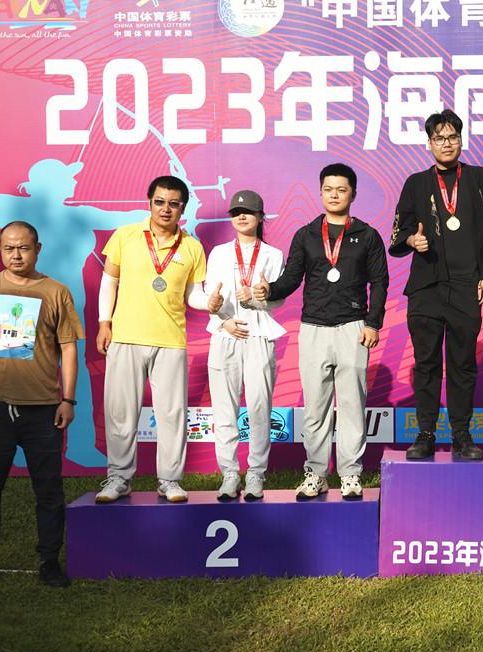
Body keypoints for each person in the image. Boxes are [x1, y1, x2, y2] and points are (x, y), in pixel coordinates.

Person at [0, 221, 83, 591]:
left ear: (37, 249)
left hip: (43, 409)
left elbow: (69, 349)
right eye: (9, 248)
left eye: (24, 248)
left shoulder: (55, 292)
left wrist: (67, 399)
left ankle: (49, 561)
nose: (16, 255)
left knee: (49, 490)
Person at [253, 164, 387, 500]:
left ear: (353, 194)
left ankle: (351, 474)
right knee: (316, 407)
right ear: (321, 192)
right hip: (313, 327)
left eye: (341, 189)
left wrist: (373, 322)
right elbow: (291, 278)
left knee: (352, 405)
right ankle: (315, 474)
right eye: (328, 189)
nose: (334, 195)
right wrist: (270, 289)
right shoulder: (307, 234)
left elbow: (379, 282)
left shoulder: (367, 235)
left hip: (353, 328)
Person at [389, 109, 483, 461]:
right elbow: (399, 231)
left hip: (466, 285)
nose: (446, 143)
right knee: (425, 363)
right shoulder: (416, 183)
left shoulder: (480, 179)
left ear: (461, 140)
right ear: (429, 143)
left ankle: (461, 435)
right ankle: (425, 434)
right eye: (439, 138)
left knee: (462, 364)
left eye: (452, 137)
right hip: (426, 286)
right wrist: (413, 240)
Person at [94, 176, 209, 503]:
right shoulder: (125, 235)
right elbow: (109, 282)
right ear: (149, 202)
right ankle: (119, 478)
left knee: (172, 414)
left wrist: (211, 303)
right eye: (160, 202)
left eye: (173, 204)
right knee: (120, 411)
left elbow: (193, 296)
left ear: (182, 208)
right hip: (126, 336)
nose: (165, 209)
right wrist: (104, 323)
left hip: (170, 340)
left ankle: (170, 480)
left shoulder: (192, 247)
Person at [204, 190, 287, 501]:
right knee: (224, 409)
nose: (242, 216)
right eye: (236, 212)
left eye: (249, 211)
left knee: (259, 408)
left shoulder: (273, 255)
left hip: (258, 336)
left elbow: (278, 300)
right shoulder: (218, 253)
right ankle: (229, 473)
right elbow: (211, 296)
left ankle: (255, 473)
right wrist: (221, 320)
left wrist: (259, 297)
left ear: (260, 217)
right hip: (224, 335)